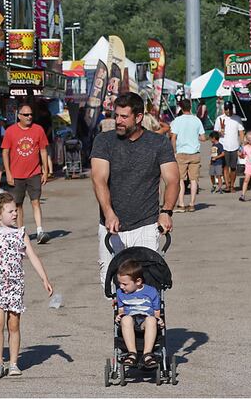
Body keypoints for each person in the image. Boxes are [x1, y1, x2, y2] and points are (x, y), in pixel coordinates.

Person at [91, 93, 179, 289]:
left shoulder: (158, 143)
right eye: (117, 116)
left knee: (148, 287)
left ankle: (149, 320)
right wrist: (108, 212)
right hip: (111, 227)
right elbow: (99, 178)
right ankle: (122, 320)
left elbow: (172, 180)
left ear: (138, 118)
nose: (118, 121)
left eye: (124, 117)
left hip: (146, 225)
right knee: (112, 289)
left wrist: (166, 212)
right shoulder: (104, 141)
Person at [0, 192, 53, 378]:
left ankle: (13, 363)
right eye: (10, 211)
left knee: (13, 325)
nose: (15, 214)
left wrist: (44, 278)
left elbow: (33, 257)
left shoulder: (20, 233)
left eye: (15, 210)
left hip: (15, 286)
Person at [2, 103, 51, 244]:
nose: (29, 117)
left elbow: (43, 151)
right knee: (18, 205)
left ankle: (40, 230)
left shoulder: (38, 130)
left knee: (35, 201)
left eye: (30, 114)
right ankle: (20, 232)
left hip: (34, 172)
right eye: (26, 115)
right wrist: (8, 173)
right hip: (16, 174)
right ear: (19, 116)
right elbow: (5, 152)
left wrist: (45, 171)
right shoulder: (10, 131)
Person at [115, 259, 163, 369]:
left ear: (138, 282)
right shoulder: (120, 293)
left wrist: (158, 319)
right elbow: (121, 310)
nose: (121, 287)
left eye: (125, 284)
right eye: (119, 283)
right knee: (126, 319)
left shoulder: (151, 291)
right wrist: (120, 315)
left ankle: (147, 354)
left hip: (146, 320)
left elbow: (156, 311)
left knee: (151, 320)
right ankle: (132, 353)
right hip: (130, 319)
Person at [170, 99, 207, 212]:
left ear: (181, 107)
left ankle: (181, 203)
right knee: (193, 180)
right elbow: (203, 138)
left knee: (181, 179)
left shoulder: (177, 120)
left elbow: (173, 137)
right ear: (190, 107)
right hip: (194, 153)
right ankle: (192, 204)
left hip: (181, 152)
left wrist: (174, 151)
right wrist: (196, 137)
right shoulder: (196, 120)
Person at [215, 101, 245, 193]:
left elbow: (241, 132)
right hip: (223, 146)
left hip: (234, 146)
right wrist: (220, 132)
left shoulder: (237, 118)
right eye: (227, 109)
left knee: (233, 167)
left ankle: (232, 185)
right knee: (225, 167)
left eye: (230, 109)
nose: (228, 111)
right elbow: (215, 132)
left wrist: (242, 145)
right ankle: (227, 185)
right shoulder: (219, 119)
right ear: (224, 109)